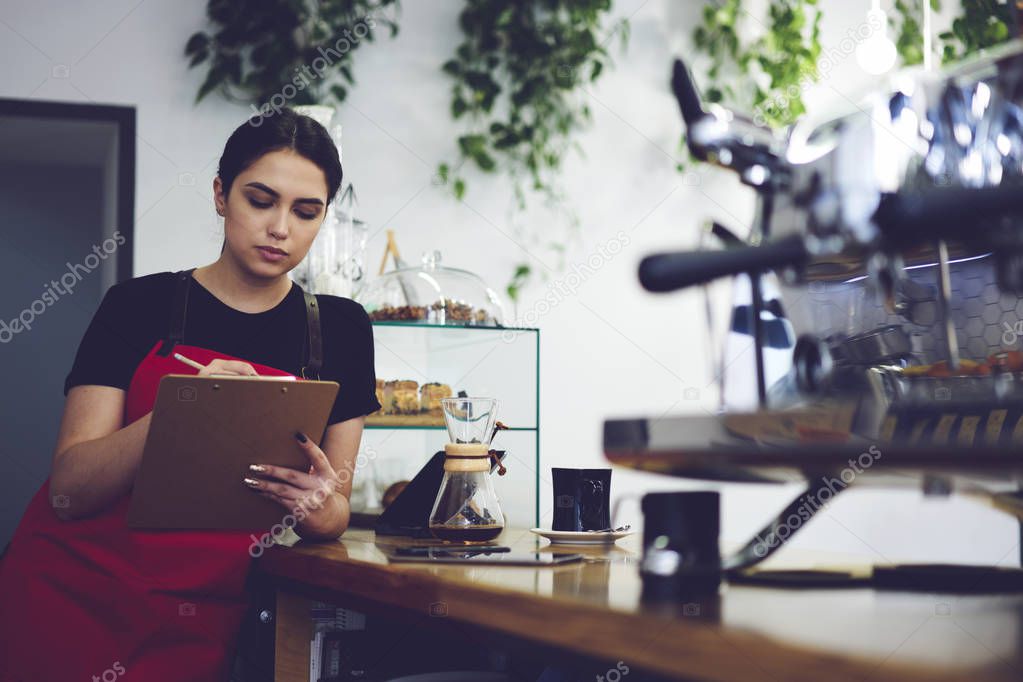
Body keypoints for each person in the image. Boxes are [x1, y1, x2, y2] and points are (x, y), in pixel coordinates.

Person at [0, 108, 380, 681]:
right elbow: (69, 492)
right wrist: (179, 412)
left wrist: (321, 507)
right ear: (221, 195)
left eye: (307, 212)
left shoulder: (342, 329)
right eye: (260, 200)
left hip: (197, 612)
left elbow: (332, 513)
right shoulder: (136, 306)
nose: (281, 228)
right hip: (70, 596)